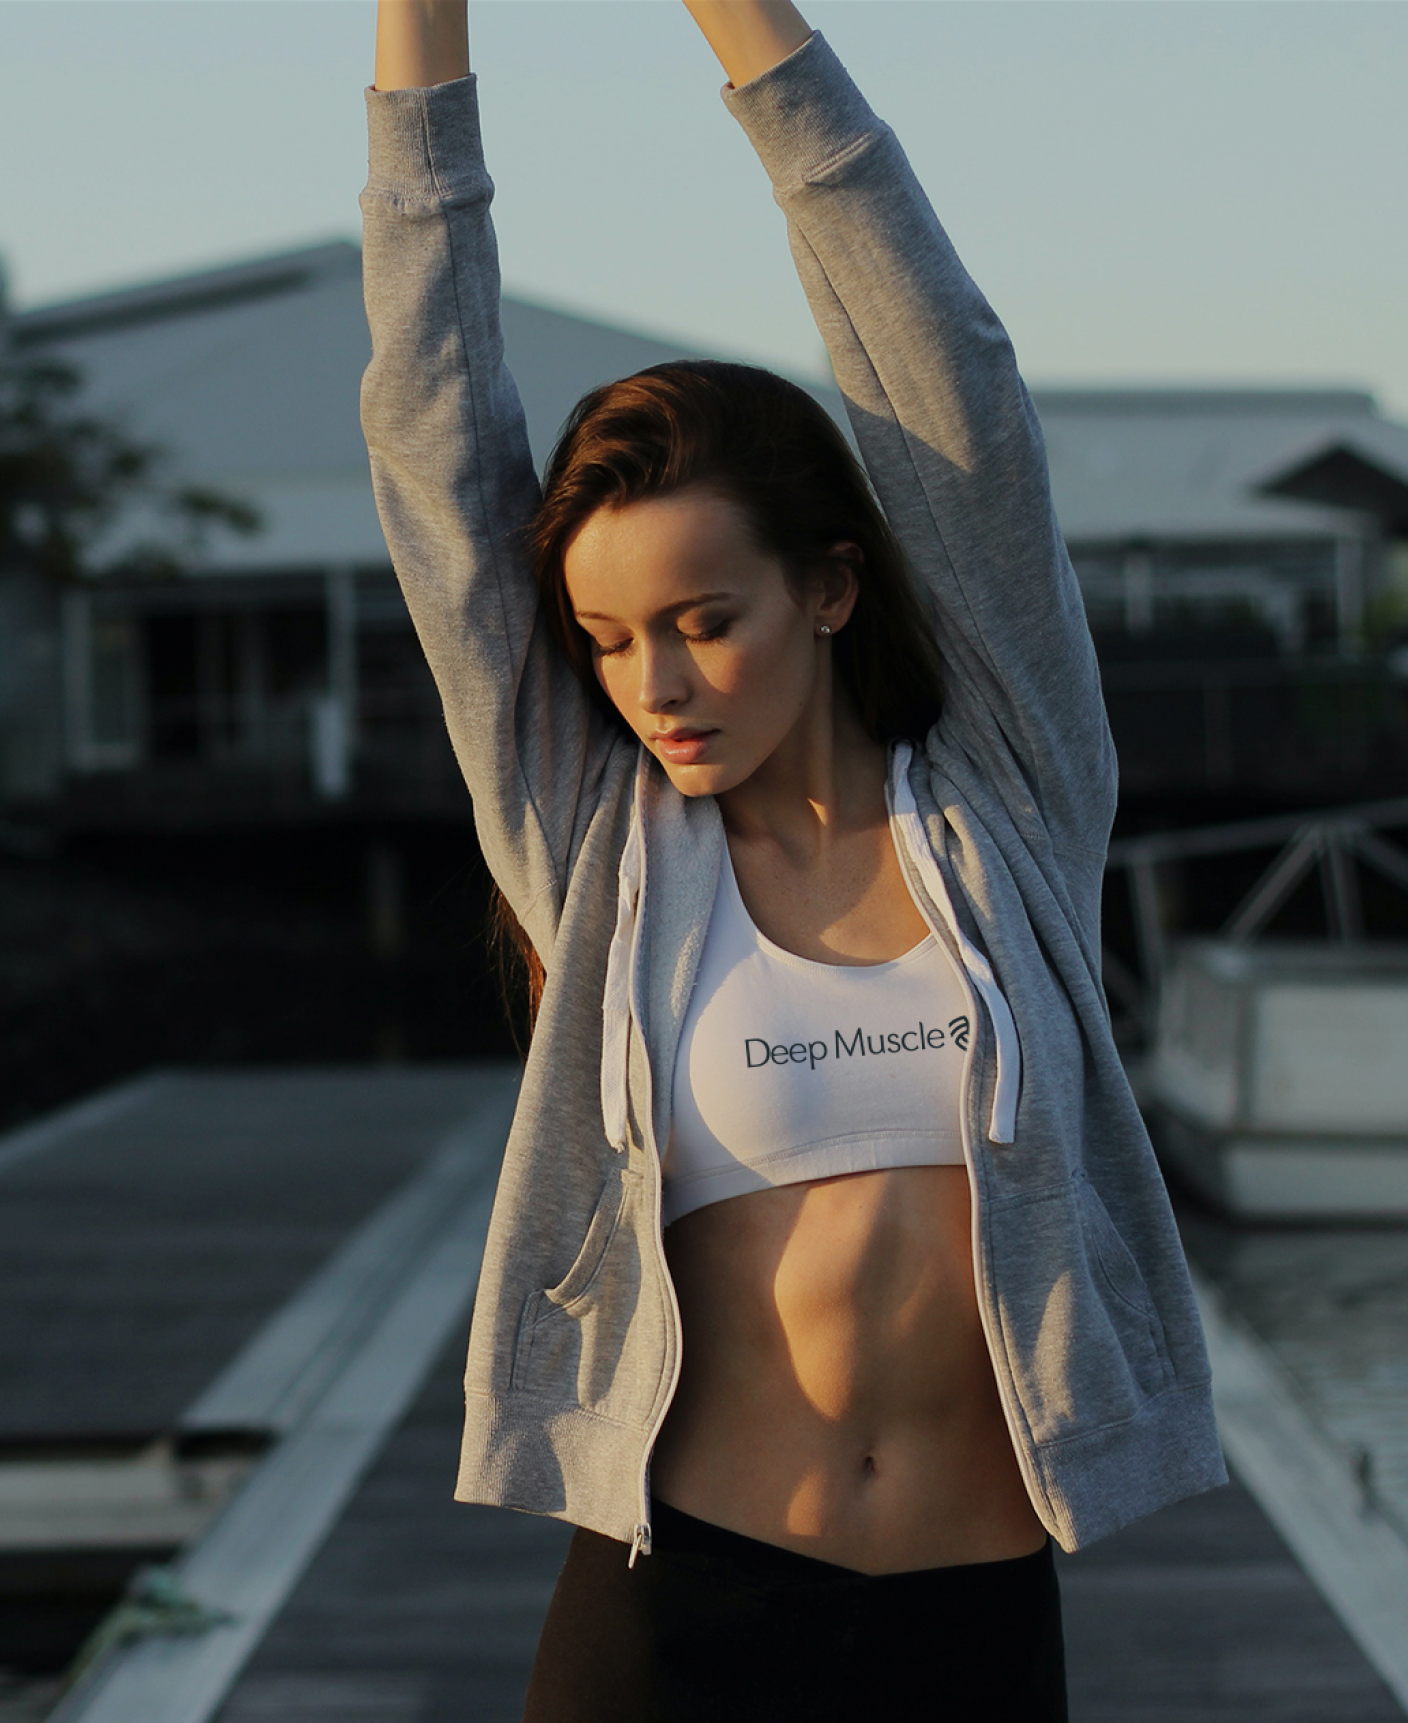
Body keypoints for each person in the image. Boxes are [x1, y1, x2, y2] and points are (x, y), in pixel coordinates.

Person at [359, 3, 1224, 1717]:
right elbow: (437, 453)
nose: (656, 684)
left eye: (705, 621)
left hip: (974, 1624)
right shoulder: (599, 852)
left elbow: (950, 387)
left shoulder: (1005, 810)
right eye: (608, 640)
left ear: (828, 588)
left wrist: (740, 23)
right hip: (683, 1614)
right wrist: (422, 35)